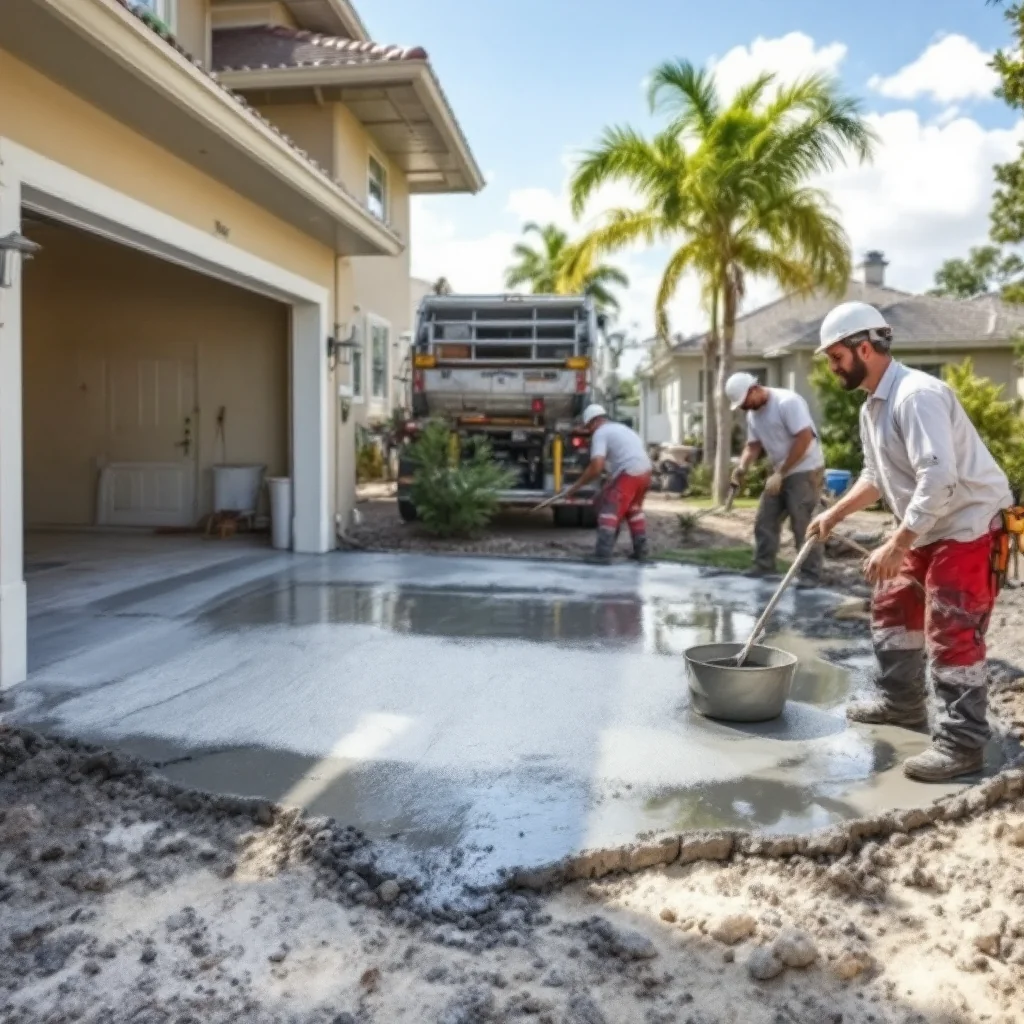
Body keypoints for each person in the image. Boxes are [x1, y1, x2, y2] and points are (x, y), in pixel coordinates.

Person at [807, 301, 1013, 782]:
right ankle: (902, 704)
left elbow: (938, 478)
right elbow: (876, 476)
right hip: (929, 525)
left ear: (864, 347)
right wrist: (834, 513)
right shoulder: (873, 406)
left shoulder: (915, 395)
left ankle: (963, 744)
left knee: (952, 629)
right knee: (892, 604)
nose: (832, 367)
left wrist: (897, 544)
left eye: (836, 357)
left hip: (968, 524)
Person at [726, 372, 826, 588]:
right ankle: (764, 567)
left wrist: (782, 472)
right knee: (765, 518)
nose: (744, 406)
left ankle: (811, 575)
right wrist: (742, 467)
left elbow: (805, 437)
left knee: (802, 523)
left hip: (805, 470)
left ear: (754, 389)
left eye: (745, 401)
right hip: (779, 473)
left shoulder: (786, 402)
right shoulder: (754, 414)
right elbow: (753, 445)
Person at [565, 404, 652, 563]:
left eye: (589, 427)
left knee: (609, 507)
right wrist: (607, 487)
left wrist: (575, 486)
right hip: (645, 472)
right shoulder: (622, 429)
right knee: (633, 509)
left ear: (593, 422)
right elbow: (618, 466)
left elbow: (596, 467)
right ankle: (642, 551)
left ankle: (602, 554)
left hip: (630, 472)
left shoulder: (601, 433)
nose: (590, 432)